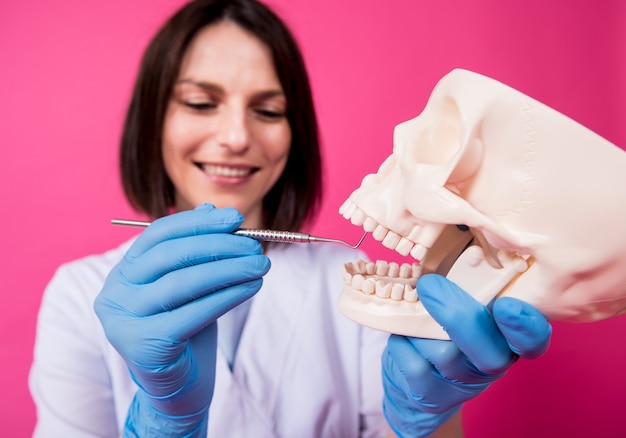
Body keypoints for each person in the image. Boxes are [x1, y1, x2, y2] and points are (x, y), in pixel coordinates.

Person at [29, 0, 551, 437]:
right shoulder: (79, 296)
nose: (236, 137)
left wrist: (429, 418)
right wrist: (163, 421)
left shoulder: (349, 278)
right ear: (153, 121)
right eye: (200, 102)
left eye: (269, 111)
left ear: (294, 132)